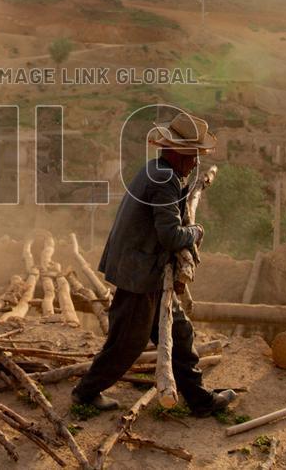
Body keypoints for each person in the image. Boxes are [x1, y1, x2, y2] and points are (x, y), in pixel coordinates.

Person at [72, 111, 236, 414]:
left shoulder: (159, 172)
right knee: (126, 344)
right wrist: (197, 231)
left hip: (146, 269)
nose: (195, 162)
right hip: (140, 273)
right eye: (192, 155)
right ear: (175, 152)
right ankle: (85, 392)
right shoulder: (163, 180)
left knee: (179, 333)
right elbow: (171, 235)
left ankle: (199, 400)